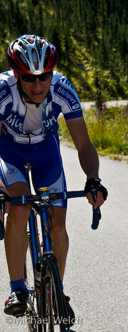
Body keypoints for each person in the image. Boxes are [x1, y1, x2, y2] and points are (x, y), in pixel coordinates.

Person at [0, 34, 108, 323]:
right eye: (29, 78)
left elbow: (84, 145)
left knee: (57, 225)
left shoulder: (62, 88)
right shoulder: (2, 90)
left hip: (45, 150)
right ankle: (17, 289)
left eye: (44, 76)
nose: (38, 85)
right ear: (16, 75)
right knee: (20, 207)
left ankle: (54, 292)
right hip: (9, 149)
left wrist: (93, 179)